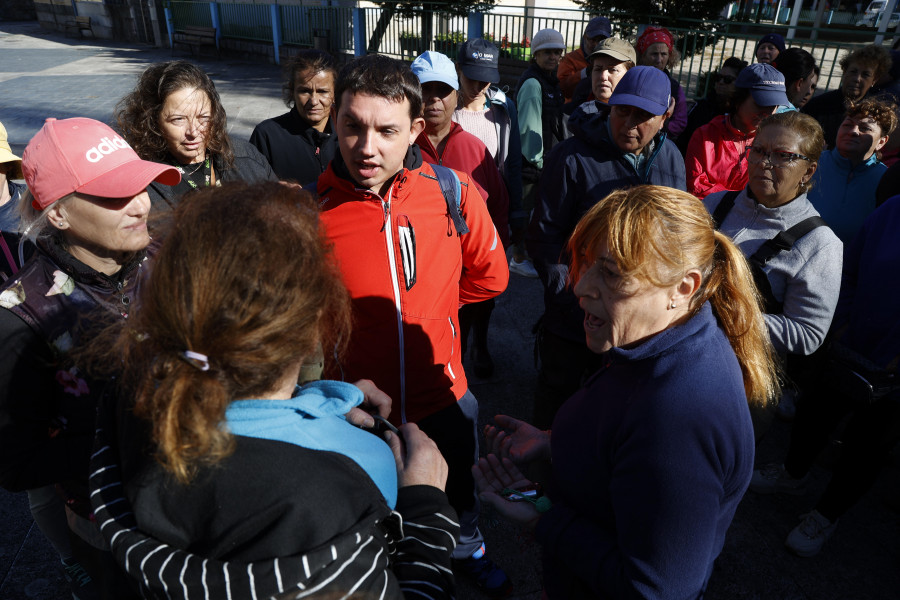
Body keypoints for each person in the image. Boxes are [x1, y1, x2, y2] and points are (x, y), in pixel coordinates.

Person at [85, 180, 460, 598]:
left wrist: (319, 404)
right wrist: (426, 507)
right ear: (315, 322)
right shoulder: (349, 476)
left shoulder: (129, 396)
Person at [475, 184, 778, 598]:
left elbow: (656, 590)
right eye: (584, 263)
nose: (580, 288)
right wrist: (554, 443)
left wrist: (540, 520)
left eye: (612, 273)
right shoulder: (660, 340)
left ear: (683, 288)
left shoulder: (678, 418)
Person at [316, 54, 511, 596]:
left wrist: (436, 316)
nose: (366, 147)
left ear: (416, 130)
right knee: (368, 507)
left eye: (386, 130)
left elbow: (490, 279)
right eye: (352, 126)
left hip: (442, 394)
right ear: (335, 121)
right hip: (355, 409)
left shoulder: (454, 193)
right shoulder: (311, 212)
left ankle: (466, 550)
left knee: (458, 497)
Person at [0, 117, 181, 598]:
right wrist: (136, 434)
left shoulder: (169, 261)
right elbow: (15, 465)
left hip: (197, 509)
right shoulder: (21, 315)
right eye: (114, 195)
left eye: (140, 185)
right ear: (57, 214)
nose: (142, 204)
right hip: (109, 535)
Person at [527, 66, 686, 429]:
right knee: (558, 399)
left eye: (643, 115)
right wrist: (573, 297)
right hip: (574, 316)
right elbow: (544, 239)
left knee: (614, 409)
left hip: (637, 322)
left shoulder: (673, 159)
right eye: (621, 110)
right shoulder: (570, 158)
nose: (629, 123)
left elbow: (673, 238)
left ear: (667, 114)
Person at [750, 194, 900, 558]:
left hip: (896, 374)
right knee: (814, 416)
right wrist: (844, 323)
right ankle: (792, 474)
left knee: (868, 445)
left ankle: (826, 514)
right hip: (850, 343)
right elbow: (849, 270)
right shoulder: (892, 209)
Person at [704, 111, 842, 422]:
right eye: (759, 151)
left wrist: (725, 316)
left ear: (808, 170)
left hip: (742, 385)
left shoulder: (819, 244)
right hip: (683, 358)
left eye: (782, 156)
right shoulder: (714, 205)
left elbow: (807, 333)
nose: (765, 163)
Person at [411, 50, 510, 378]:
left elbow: (496, 202)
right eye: (425, 90)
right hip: (419, 268)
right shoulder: (398, 149)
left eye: (443, 91)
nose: (434, 99)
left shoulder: (474, 148)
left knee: (476, 313)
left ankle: (476, 349)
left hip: (468, 263)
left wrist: (498, 248)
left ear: (456, 96)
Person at [115, 60, 276, 210]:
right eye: (178, 119)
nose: (193, 132)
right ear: (152, 121)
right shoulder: (142, 182)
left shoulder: (246, 157)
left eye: (203, 118)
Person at [453, 38, 529, 277]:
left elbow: (512, 164)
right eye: (471, 77)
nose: (478, 86)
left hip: (491, 214)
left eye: (485, 80)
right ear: (458, 70)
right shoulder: (444, 109)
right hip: (451, 214)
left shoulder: (504, 110)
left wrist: (515, 212)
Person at [686, 63, 790, 199]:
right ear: (738, 99)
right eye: (760, 103)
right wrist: (740, 201)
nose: (767, 112)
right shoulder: (706, 137)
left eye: (773, 106)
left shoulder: (779, 142)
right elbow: (696, 186)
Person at [516, 28, 567, 279]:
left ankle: (525, 253)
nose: (554, 57)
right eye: (548, 52)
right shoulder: (534, 83)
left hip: (545, 159)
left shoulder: (550, 81)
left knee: (536, 209)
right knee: (524, 210)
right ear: (535, 53)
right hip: (533, 163)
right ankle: (518, 257)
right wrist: (538, 161)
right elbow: (528, 127)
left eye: (557, 52)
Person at [808, 98, 895, 243]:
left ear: (881, 142)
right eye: (848, 125)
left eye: (865, 128)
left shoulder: (887, 180)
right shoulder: (811, 164)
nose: (853, 132)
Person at [249, 49, 338, 185]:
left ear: (335, 93)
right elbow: (250, 191)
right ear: (292, 90)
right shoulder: (267, 136)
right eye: (305, 91)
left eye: (323, 91)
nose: (314, 101)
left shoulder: (348, 135)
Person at [803, 45, 893, 148]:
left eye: (865, 75)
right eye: (853, 71)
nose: (857, 79)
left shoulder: (876, 115)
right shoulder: (817, 106)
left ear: (874, 80)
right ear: (844, 72)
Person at [677, 57, 748, 155]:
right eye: (718, 78)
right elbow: (684, 141)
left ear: (739, 84)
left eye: (727, 79)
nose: (721, 82)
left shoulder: (742, 114)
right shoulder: (701, 108)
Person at [635, 25, 687, 140]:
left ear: (670, 56)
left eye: (663, 54)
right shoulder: (634, 80)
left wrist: (661, 126)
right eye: (654, 54)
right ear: (643, 56)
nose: (659, 60)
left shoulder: (674, 88)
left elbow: (680, 122)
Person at [564, 37, 636, 113]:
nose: (603, 76)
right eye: (598, 69)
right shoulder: (570, 115)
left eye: (613, 70)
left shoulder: (639, 119)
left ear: (630, 75)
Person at [557, 16, 611, 102]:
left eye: (601, 40)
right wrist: (583, 73)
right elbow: (562, 88)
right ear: (585, 37)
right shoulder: (570, 59)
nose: (596, 44)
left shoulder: (610, 60)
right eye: (593, 39)